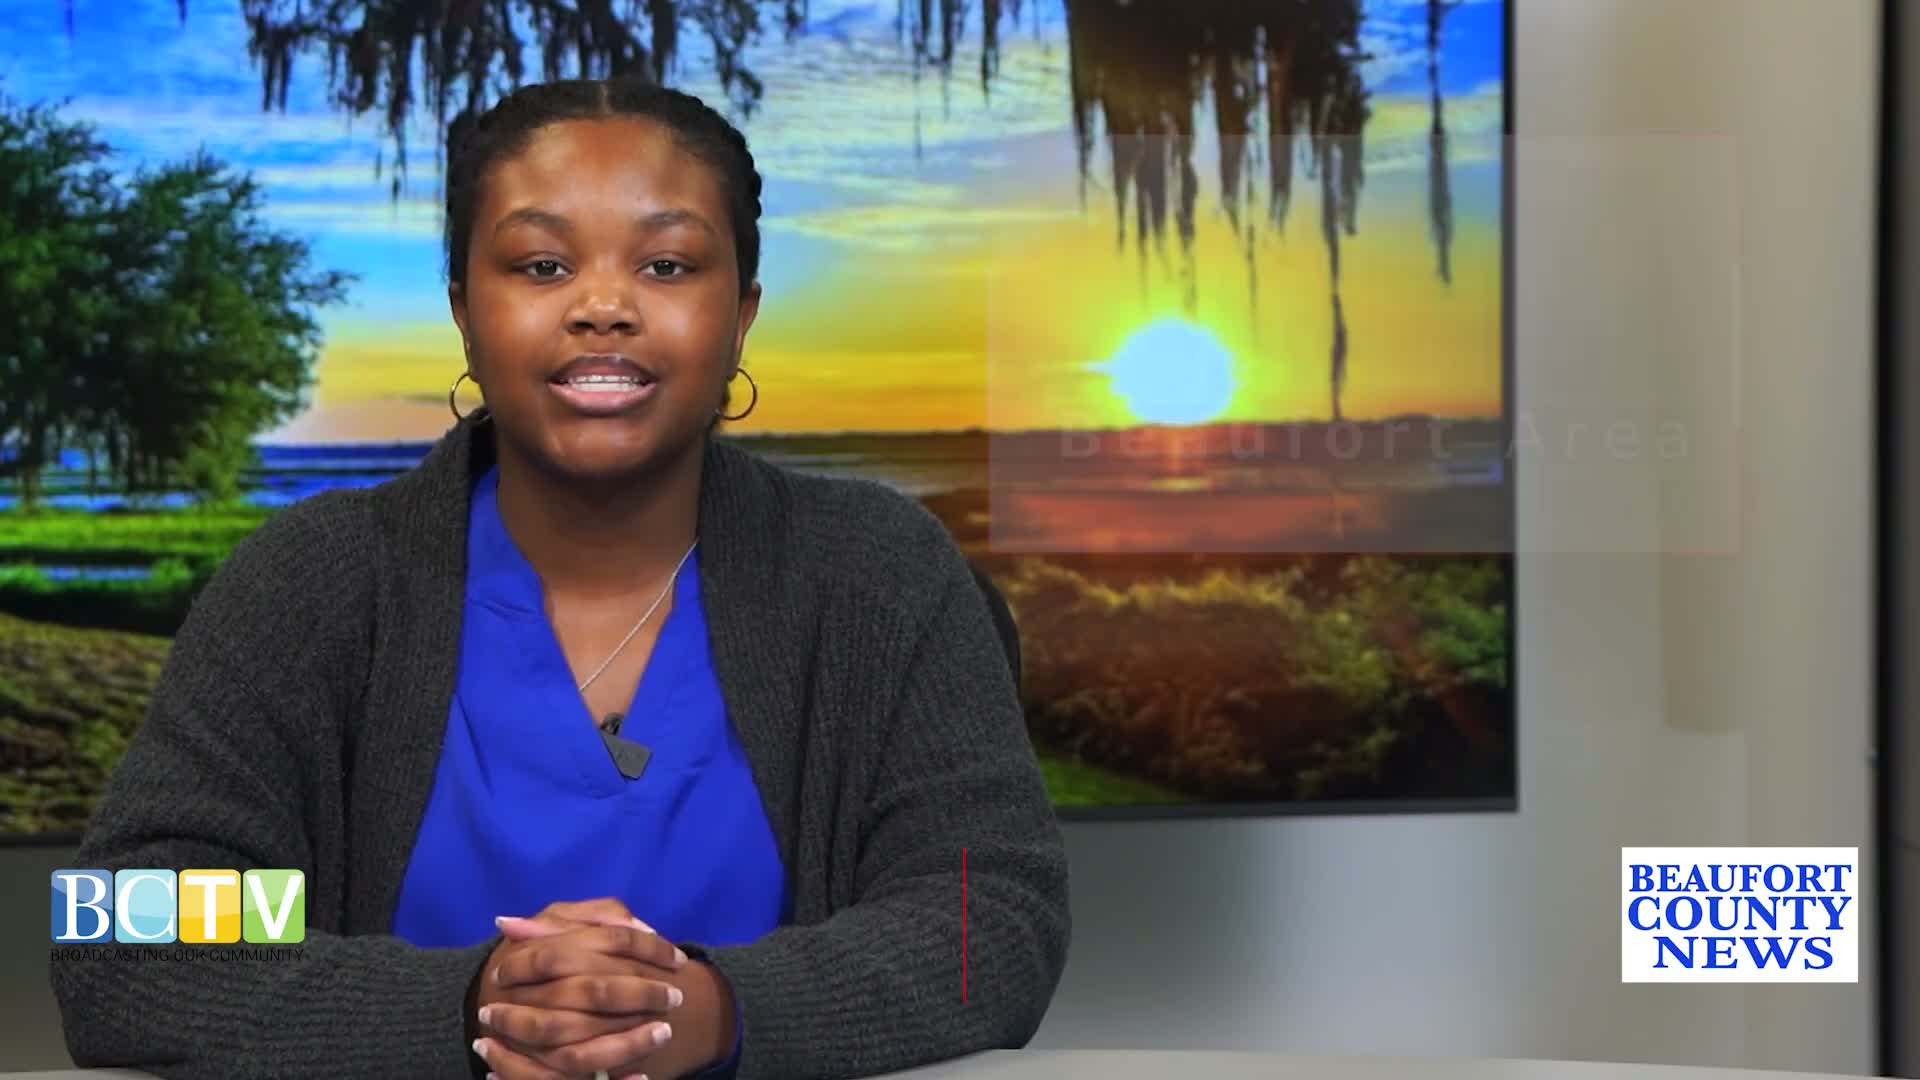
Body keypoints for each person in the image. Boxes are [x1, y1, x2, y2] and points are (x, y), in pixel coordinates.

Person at [50, 76, 1071, 1080]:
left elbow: (987, 912)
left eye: (667, 266)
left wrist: (709, 1011)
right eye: (540, 266)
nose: (603, 307)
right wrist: (475, 1007)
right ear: (463, 308)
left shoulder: (875, 574)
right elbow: (118, 924)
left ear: (743, 314)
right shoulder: (310, 586)